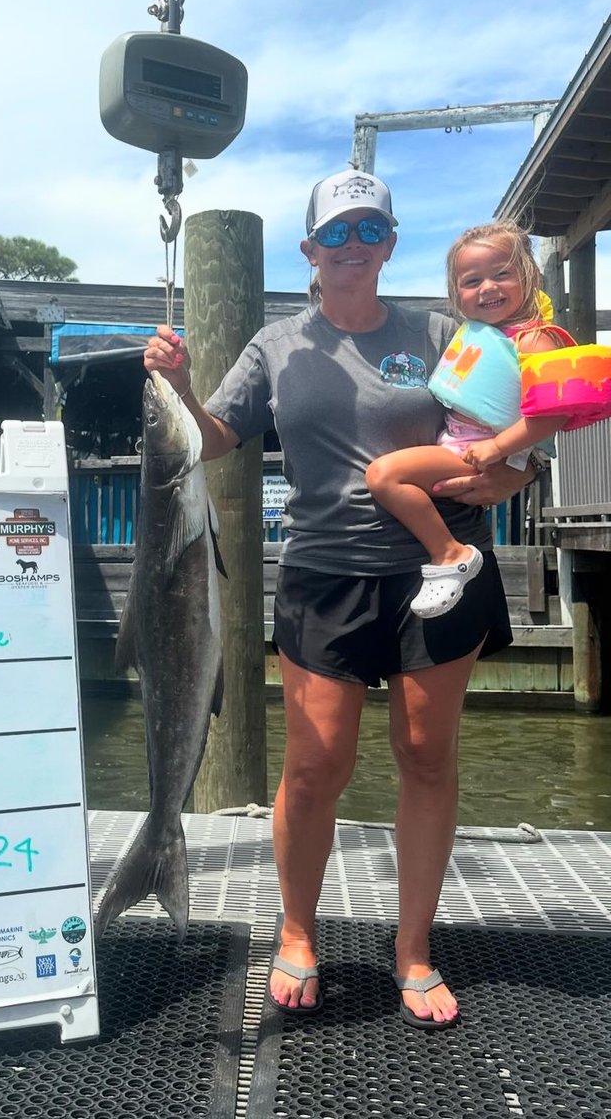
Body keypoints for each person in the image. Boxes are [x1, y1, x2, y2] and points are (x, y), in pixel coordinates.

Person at [143, 168, 535, 1030]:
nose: (353, 245)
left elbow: (513, 422)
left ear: (391, 244)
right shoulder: (277, 346)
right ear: (309, 250)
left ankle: (414, 947)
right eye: (338, 232)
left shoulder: (444, 332)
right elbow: (215, 437)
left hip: (442, 569)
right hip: (325, 575)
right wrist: (175, 382)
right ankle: (295, 929)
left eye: (371, 229)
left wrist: (512, 469)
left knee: (428, 758)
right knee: (317, 767)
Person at [366, 221, 569, 619]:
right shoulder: (479, 334)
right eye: (472, 280)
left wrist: (496, 450)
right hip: (461, 442)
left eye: (502, 274)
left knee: (383, 476)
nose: (488, 288)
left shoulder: (533, 339)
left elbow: (550, 416)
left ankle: (451, 555)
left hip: (476, 450)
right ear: (456, 292)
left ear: (529, 274)